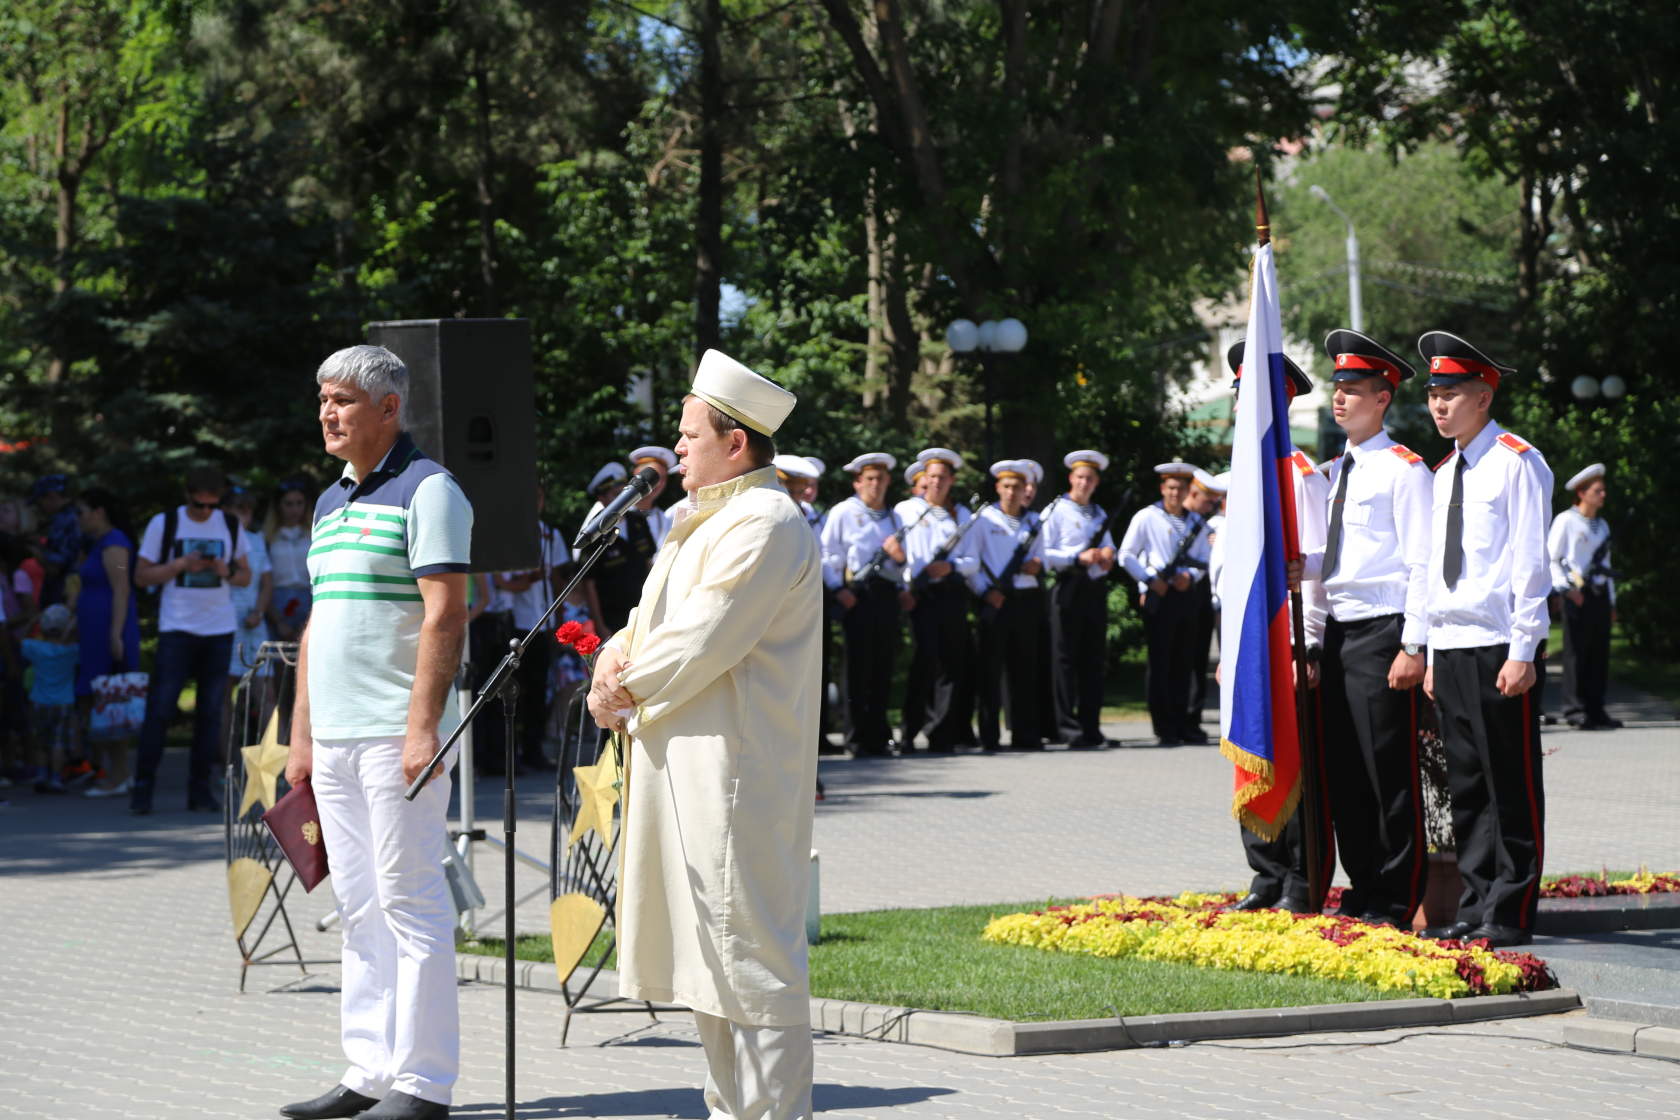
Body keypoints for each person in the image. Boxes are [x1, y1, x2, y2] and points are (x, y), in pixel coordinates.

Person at [587, 348, 818, 1120]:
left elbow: (705, 636)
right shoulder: (699, 521)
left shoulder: (768, 521)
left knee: (748, 958)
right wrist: (610, 661)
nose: (676, 449)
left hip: (735, 774)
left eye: (689, 435)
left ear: (737, 442)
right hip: (680, 763)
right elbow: (647, 623)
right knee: (705, 961)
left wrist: (625, 684)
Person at [281, 344, 472, 1120]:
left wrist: (422, 727)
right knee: (358, 904)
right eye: (323, 399)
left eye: (343, 401)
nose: (328, 413)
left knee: (411, 900)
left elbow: (447, 610)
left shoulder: (431, 491)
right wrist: (300, 737)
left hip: (399, 736)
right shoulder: (331, 504)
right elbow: (318, 627)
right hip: (334, 740)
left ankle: (423, 1085)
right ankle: (367, 1071)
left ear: (388, 409)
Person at [1417, 330, 1552, 949]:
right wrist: (1427, 650)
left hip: (1500, 643)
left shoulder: (1517, 461)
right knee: (1466, 782)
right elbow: (1430, 568)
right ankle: (1474, 900)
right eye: (1433, 395)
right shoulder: (1444, 472)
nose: (1438, 406)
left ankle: (1512, 904)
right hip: (1453, 644)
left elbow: (1529, 563)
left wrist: (1524, 650)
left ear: (1482, 395)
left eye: (1451, 394)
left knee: (1509, 779)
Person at [1295, 329, 1433, 927]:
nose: (1340, 398)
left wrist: (1413, 643)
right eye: (1338, 388)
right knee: (1346, 772)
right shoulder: (1330, 473)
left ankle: (1397, 898)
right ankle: (1362, 889)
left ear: (1384, 398)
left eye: (1353, 389)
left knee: (1386, 774)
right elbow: (1329, 567)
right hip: (1341, 636)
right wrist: (1316, 637)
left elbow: (1421, 562)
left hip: (1384, 631)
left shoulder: (1405, 471)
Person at [1220, 343, 1332, 912]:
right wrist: (1226, 647)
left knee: (1293, 758)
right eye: (1239, 396)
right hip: (1248, 645)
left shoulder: (1300, 475)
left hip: (1287, 642)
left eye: (1250, 398)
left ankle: (1299, 880)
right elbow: (1231, 576)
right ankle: (1264, 875)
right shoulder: (1239, 479)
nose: (1241, 406)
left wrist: (1308, 644)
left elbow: (1313, 569)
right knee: (1250, 750)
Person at [130, 465, 251, 815]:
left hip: (219, 629)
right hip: (177, 629)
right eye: (201, 506)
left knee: (210, 714)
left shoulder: (229, 524)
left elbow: (245, 576)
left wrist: (223, 570)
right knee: (161, 710)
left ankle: (200, 790)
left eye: (214, 505)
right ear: (187, 497)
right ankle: (143, 788)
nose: (207, 512)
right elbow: (140, 575)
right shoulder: (164, 524)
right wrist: (181, 564)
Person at [1118, 463, 1212, 746]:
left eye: (1180, 488)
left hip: (1186, 595)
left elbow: (1205, 558)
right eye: (1170, 488)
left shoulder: (1196, 522)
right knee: (1161, 662)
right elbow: (1126, 554)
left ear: (1187, 491)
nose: (1175, 493)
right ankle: (1164, 725)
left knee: (1184, 661)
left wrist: (1190, 576)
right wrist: (1147, 580)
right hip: (1159, 593)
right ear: (1162, 489)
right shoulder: (1147, 517)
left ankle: (1183, 721)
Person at [819, 452, 905, 757]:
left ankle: (878, 736)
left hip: (886, 593)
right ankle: (855, 737)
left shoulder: (895, 517)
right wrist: (838, 588)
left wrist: (900, 560)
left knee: (883, 664)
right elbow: (827, 554)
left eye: (881, 479)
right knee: (857, 667)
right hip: (857, 593)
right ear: (857, 482)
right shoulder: (844, 512)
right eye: (869, 479)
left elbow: (906, 562)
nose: (876, 485)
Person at [896, 448, 978, 752]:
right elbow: (901, 555)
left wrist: (952, 566)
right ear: (923, 478)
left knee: (950, 665)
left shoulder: (962, 516)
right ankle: (908, 732)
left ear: (951, 480)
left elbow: (974, 561)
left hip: (951, 593)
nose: (937, 483)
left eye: (943, 477)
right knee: (922, 662)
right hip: (921, 595)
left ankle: (942, 733)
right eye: (932, 476)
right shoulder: (906, 510)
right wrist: (905, 587)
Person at [968, 460, 1048, 751]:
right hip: (994, 599)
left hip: (1025, 600)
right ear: (998, 488)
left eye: (1017, 486)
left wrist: (1037, 565)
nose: (1012, 492)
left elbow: (1043, 557)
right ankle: (989, 735)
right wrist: (985, 592)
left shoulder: (1034, 522)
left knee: (1024, 668)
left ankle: (1025, 733)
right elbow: (972, 562)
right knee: (990, 670)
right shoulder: (984, 520)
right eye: (1007, 486)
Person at [1040, 451, 1117, 748]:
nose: (1084, 483)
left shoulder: (1099, 514)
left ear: (1096, 482)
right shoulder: (1056, 510)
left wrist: (1108, 555)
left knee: (1092, 661)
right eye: (1080, 477)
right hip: (1068, 586)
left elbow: (1110, 547)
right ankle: (1067, 727)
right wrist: (1077, 557)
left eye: (1090, 478)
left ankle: (1091, 727)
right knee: (1065, 660)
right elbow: (1046, 553)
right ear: (1071, 478)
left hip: (1093, 590)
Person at [493, 484, 570, 771]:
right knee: (515, 690)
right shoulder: (510, 532)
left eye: (539, 497)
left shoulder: (550, 534)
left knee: (539, 689)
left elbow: (559, 578)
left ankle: (534, 750)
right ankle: (509, 752)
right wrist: (528, 579)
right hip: (518, 621)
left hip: (544, 620)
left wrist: (561, 617)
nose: (536, 503)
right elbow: (503, 580)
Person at [74, 488, 141, 797]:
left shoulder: (115, 544)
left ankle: (120, 774)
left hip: (108, 634)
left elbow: (122, 590)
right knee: (101, 702)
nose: (79, 518)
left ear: (99, 512)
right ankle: (111, 771)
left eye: (82, 511)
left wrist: (115, 634)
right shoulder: (97, 543)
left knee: (112, 702)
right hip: (94, 634)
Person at [1548, 462, 1620, 730]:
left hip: (1598, 594)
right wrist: (1566, 589)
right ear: (1581, 492)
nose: (1603, 495)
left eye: (1603, 491)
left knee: (1599, 654)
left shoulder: (1602, 525)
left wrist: (1611, 601)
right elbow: (1552, 559)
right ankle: (1575, 710)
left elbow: (1607, 565)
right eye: (1597, 491)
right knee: (1576, 654)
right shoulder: (1566, 521)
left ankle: (1596, 708)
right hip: (1576, 594)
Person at [586, 461, 657, 634]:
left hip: (643, 610)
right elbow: (589, 584)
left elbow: (649, 564)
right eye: (615, 495)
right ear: (601, 499)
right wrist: (600, 625)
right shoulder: (593, 531)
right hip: (613, 618)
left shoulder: (638, 521)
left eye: (623, 494)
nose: (621, 500)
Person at [225, 486, 274, 727]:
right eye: (238, 510)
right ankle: (225, 757)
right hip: (225, 623)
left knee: (264, 692)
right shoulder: (220, 539)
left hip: (253, 623)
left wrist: (259, 612)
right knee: (225, 694)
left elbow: (266, 583)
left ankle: (274, 761)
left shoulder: (257, 540)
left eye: (247, 511)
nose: (244, 516)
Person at [22, 603, 80, 793]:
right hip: (64, 702)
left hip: (39, 700)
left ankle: (41, 774)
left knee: (40, 741)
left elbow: (22, 638)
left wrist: (33, 620)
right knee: (58, 742)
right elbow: (77, 637)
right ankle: (56, 778)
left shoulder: (35, 648)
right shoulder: (71, 651)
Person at [1182, 469, 1222, 734]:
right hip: (1177, 593)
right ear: (1193, 494)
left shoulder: (1205, 527)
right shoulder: (1177, 521)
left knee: (1196, 659)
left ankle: (1191, 718)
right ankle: (1178, 717)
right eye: (1207, 501)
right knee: (1179, 659)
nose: (1210, 507)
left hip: (1199, 595)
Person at [265, 478, 316, 642]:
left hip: (308, 596)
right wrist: (277, 619)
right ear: (279, 506)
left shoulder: (313, 534)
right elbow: (264, 580)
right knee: (279, 653)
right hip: (277, 599)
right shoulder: (268, 537)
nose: (295, 509)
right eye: (288, 504)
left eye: (299, 503)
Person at [30, 474, 80, 607]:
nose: (40, 507)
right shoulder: (76, 516)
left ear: (52, 496)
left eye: (40, 501)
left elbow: (55, 567)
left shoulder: (64, 520)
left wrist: (35, 548)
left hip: (63, 596)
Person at [628, 445, 678, 547]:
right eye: (654, 478)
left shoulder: (663, 519)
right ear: (636, 474)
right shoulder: (615, 511)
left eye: (664, 478)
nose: (659, 483)